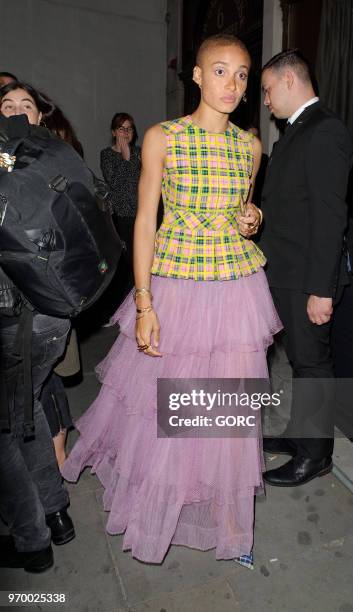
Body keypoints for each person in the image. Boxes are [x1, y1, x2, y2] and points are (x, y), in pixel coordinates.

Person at [62, 34, 282, 566]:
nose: (232, 84)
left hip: (234, 288)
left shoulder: (251, 147)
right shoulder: (163, 137)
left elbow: (246, 213)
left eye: (243, 74)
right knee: (170, 407)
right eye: (221, 71)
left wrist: (254, 219)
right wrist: (143, 303)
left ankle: (230, 520)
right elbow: (143, 223)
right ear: (198, 77)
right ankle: (159, 507)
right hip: (178, 284)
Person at [259, 49, 353, 487]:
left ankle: (316, 456)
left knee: (313, 365)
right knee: (300, 363)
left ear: (290, 81)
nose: (265, 100)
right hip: (289, 274)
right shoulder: (297, 132)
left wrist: (321, 289)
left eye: (267, 89)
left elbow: (330, 218)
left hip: (308, 280)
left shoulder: (325, 130)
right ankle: (301, 438)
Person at [0, 86, 75, 573]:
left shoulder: (13, 164)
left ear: (39, 116)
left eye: (20, 106)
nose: (11, 113)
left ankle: (32, 542)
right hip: (55, 316)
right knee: (25, 412)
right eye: (3, 107)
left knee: (3, 430)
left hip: (17, 319)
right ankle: (57, 511)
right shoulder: (61, 159)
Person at [100, 112, 141, 297]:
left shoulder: (140, 153)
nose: (126, 132)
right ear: (114, 132)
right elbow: (114, 182)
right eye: (122, 128)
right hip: (121, 216)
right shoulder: (107, 154)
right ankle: (120, 307)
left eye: (130, 128)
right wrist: (125, 158)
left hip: (141, 214)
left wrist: (130, 156)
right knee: (125, 264)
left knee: (141, 261)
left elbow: (144, 180)